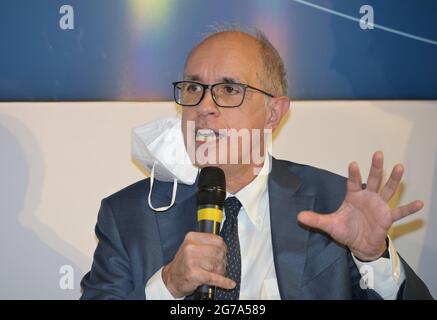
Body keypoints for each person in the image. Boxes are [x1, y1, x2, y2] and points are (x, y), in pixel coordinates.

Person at [80, 28, 432, 300]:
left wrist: (373, 258)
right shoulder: (127, 216)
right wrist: (168, 287)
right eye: (192, 88)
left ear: (274, 112)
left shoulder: (333, 204)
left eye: (229, 89)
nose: (204, 106)